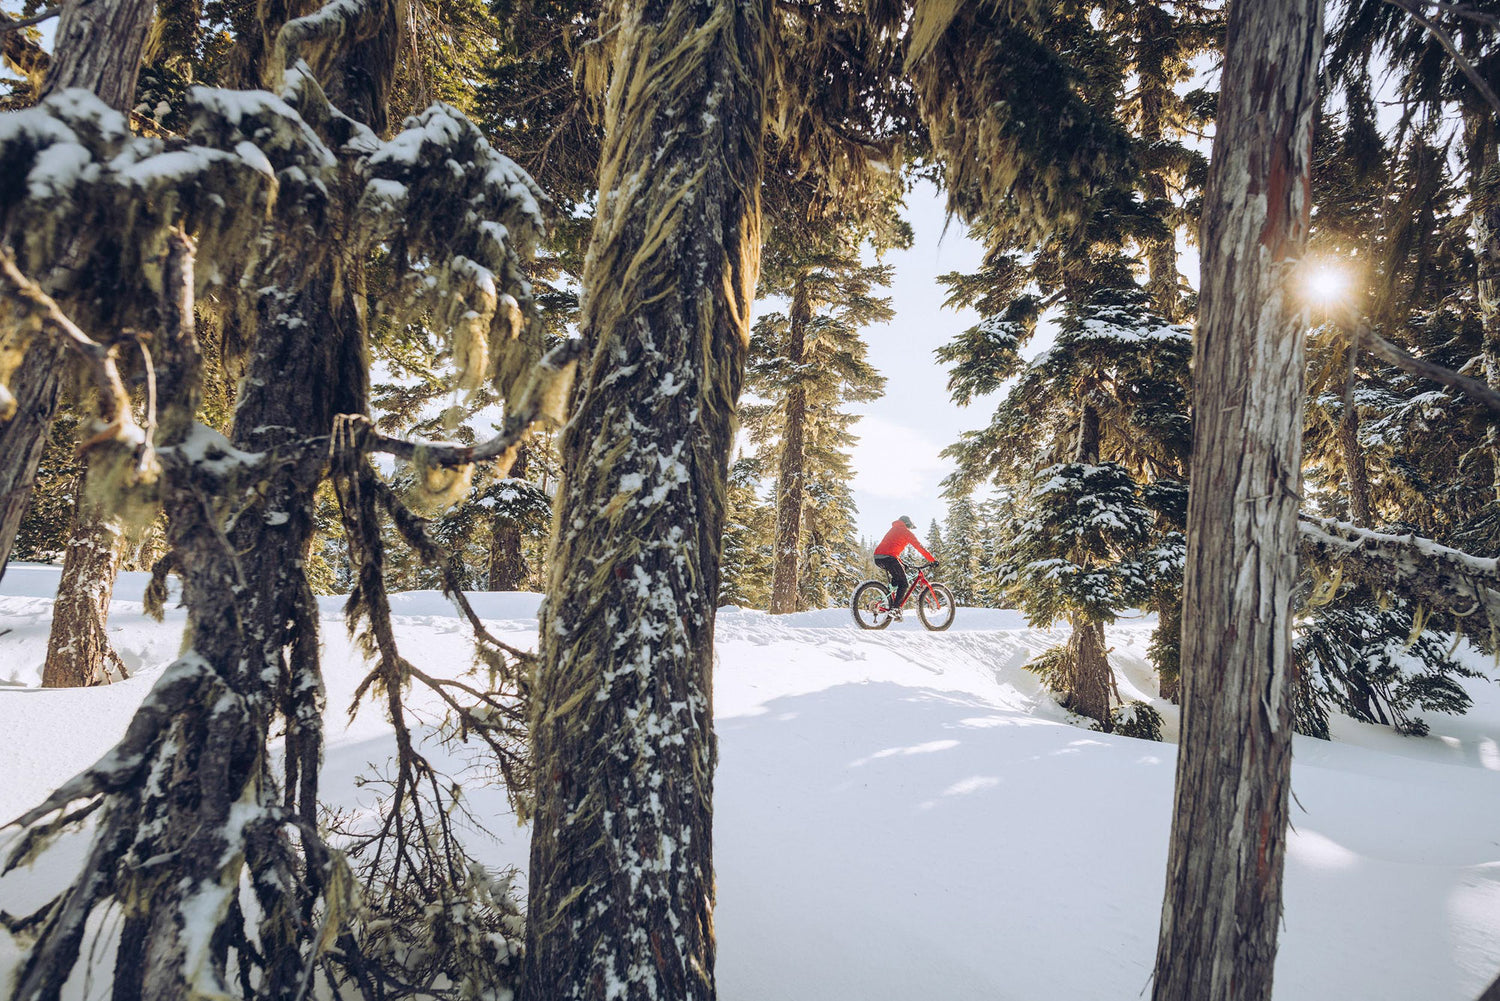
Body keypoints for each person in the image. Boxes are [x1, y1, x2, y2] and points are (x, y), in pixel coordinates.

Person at [873, 515, 936, 611]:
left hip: (878, 557)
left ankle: (887, 603)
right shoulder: (905, 532)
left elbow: (891, 550)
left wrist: (901, 563)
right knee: (904, 584)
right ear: (907, 524)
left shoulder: (893, 530)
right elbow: (919, 547)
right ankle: (895, 609)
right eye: (910, 527)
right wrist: (932, 560)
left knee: (897, 580)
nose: (910, 529)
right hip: (889, 558)